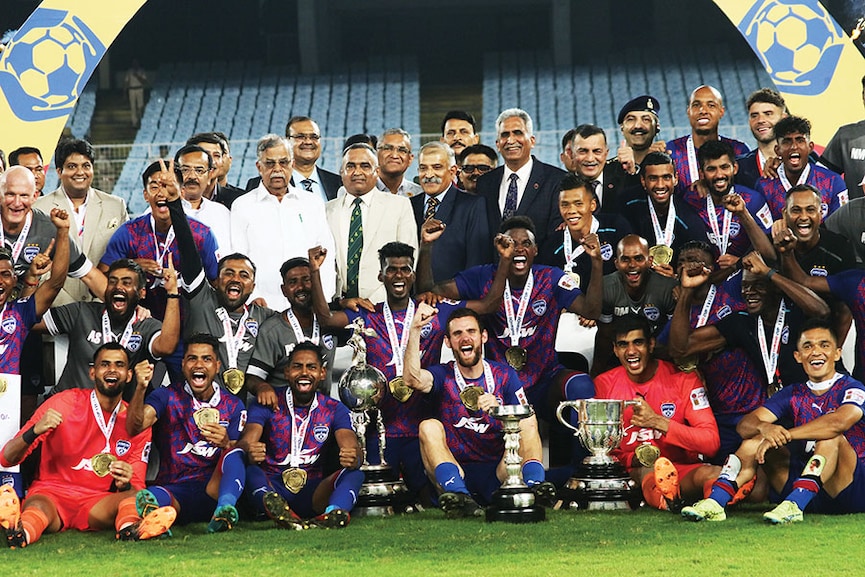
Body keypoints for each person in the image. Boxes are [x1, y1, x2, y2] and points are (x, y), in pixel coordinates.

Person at [309, 240, 508, 504]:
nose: (399, 275)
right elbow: (325, 319)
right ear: (381, 275)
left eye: (405, 269)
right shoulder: (368, 314)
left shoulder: (435, 311)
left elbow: (490, 305)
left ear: (413, 275)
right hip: (381, 431)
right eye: (392, 270)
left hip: (421, 428)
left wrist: (504, 260)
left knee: (429, 497)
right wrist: (315, 272)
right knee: (372, 494)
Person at [682, 319, 865, 523]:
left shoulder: (852, 388)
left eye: (824, 345)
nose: (815, 352)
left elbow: (838, 423)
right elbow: (744, 426)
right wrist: (764, 428)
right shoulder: (792, 393)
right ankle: (716, 502)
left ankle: (795, 504)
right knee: (754, 438)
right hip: (804, 483)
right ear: (798, 356)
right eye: (807, 346)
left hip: (849, 488)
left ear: (837, 353)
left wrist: (784, 435)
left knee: (831, 438)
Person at [0, 344, 175, 547]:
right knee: (37, 507)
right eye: (105, 364)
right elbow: (7, 458)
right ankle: (20, 531)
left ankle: (131, 529)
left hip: (95, 503)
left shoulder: (136, 423)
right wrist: (34, 431)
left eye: (119, 365)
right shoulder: (62, 403)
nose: (111, 370)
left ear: (128, 376)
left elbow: (136, 485)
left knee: (135, 496)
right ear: (93, 372)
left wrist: (125, 483)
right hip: (52, 495)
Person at [402, 305, 555, 516]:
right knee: (428, 426)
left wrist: (501, 410)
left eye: (471, 332)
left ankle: (534, 487)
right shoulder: (443, 374)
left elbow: (526, 419)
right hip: (456, 469)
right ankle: (458, 497)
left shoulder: (504, 375)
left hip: (500, 472)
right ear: (448, 342)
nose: (465, 338)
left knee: (527, 420)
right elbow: (411, 380)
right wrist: (414, 330)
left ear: (483, 336)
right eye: (457, 334)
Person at [164, 165, 277, 394]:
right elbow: (189, 252)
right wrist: (176, 205)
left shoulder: (264, 316)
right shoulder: (202, 300)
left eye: (244, 275)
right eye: (228, 273)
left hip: (245, 408)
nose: (235, 279)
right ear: (217, 279)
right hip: (199, 401)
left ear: (252, 286)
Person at [594, 315, 720, 511]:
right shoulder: (604, 385)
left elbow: (711, 443)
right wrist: (632, 459)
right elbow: (602, 450)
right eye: (623, 344)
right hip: (632, 474)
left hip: (680, 469)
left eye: (638, 342)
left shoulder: (683, 380)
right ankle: (668, 501)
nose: (631, 351)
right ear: (615, 349)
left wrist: (657, 421)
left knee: (714, 474)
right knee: (648, 471)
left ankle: (715, 503)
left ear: (651, 344)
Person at [235, 341, 364, 529]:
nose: (304, 373)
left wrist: (354, 457)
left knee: (354, 474)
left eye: (311, 367)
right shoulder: (268, 403)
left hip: (313, 493)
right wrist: (249, 450)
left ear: (322, 373)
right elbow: (245, 442)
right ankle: (279, 513)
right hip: (273, 487)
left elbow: (352, 448)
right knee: (251, 471)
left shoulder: (334, 408)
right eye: (297, 367)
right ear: (287, 372)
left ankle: (332, 515)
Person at [126, 334, 247, 532]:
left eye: (206, 359)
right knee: (153, 495)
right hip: (175, 491)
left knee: (235, 453)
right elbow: (134, 427)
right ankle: (156, 515)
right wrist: (140, 387)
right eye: (192, 358)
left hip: (213, 490)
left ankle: (224, 511)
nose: (198, 365)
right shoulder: (166, 396)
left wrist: (226, 443)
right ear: (183, 364)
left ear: (217, 366)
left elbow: (239, 457)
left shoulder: (233, 405)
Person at [100, 160, 219, 323]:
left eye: (168, 186)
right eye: (155, 186)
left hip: (191, 329)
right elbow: (101, 277)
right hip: (141, 328)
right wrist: (131, 267)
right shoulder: (129, 233)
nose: (162, 193)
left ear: (181, 192)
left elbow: (217, 284)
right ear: (145, 195)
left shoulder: (201, 234)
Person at [40, 257, 180, 394]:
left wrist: (172, 293)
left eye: (126, 283)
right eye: (112, 282)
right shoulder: (81, 312)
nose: (118, 287)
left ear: (141, 293)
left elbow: (166, 347)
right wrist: (31, 281)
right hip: (68, 409)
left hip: (115, 412)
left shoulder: (146, 326)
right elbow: (29, 321)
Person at [231, 134, 336, 309]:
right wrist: (252, 298)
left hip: (308, 304)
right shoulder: (242, 206)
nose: (277, 169)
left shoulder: (312, 203)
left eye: (284, 162)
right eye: (270, 163)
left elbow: (326, 254)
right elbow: (238, 256)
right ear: (259, 167)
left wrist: (322, 297)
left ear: (292, 165)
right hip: (260, 306)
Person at [34, 138, 129, 305]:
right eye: (72, 166)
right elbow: (37, 264)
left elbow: (124, 257)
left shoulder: (116, 205)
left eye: (86, 166)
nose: (80, 172)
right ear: (58, 171)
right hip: (55, 307)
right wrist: (69, 308)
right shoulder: (39, 208)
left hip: (104, 305)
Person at [326, 143, 417, 302]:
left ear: (377, 171)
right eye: (350, 166)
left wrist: (373, 301)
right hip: (338, 306)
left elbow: (409, 261)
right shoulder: (327, 210)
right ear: (341, 173)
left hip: (383, 305)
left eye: (365, 166)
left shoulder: (399, 206)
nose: (357, 172)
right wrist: (338, 301)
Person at [246, 257, 342, 400]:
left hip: (321, 413)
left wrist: (345, 302)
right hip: (283, 414)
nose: (301, 287)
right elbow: (253, 377)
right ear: (284, 290)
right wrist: (262, 387)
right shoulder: (272, 330)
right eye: (293, 282)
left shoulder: (330, 323)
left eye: (306, 280)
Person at [476, 108, 567, 251]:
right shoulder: (485, 183)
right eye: (505, 135)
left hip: (539, 269)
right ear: (498, 144)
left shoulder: (557, 180)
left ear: (532, 141)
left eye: (517, 133)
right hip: (493, 270)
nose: (511, 140)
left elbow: (556, 236)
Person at [592, 234, 678, 375]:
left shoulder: (668, 288)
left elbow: (674, 338)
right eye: (625, 259)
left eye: (638, 258)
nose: (632, 265)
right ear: (616, 263)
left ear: (650, 261)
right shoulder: (606, 287)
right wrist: (596, 372)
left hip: (659, 352)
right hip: (622, 355)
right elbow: (604, 337)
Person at [682, 140, 774, 269]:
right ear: (701, 173)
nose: (719, 175)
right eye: (711, 169)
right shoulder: (690, 199)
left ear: (735, 168)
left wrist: (743, 214)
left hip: (743, 279)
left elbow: (770, 256)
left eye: (724, 167)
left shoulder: (753, 200)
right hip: (703, 280)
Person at [410, 142, 491, 284]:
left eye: (437, 167)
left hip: (453, 300)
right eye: (423, 168)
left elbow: (476, 263)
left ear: (453, 171)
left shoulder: (473, 205)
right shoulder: (409, 205)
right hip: (411, 300)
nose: (429, 175)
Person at [538, 173, 630, 287]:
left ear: (593, 205)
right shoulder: (551, 247)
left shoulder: (616, 228)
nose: (571, 211)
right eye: (565, 205)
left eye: (578, 204)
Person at [621, 152, 709, 265]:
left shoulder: (689, 219)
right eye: (653, 178)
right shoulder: (628, 207)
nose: (660, 185)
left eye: (666, 177)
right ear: (643, 181)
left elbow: (702, 262)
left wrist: (676, 275)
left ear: (676, 179)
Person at [755, 116, 847, 220]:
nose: (794, 146)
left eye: (800, 140)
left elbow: (840, 226)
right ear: (777, 150)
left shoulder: (832, 182)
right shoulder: (764, 185)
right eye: (787, 141)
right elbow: (763, 231)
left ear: (810, 147)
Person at [667, 85, 750, 192]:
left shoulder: (739, 150)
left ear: (721, 111)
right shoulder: (671, 151)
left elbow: (748, 191)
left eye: (711, 105)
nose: (703, 110)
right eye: (696, 105)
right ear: (688, 111)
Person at [172, 144, 232, 256]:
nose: (192, 176)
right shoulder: (159, 212)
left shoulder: (222, 213)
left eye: (199, 170)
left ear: (209, 176)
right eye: (185, 170)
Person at [568, 124, 632, 213]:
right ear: (571, 154)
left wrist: (633, 170)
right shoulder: (558, 188)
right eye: (583, 151)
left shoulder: (623, 180)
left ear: (606, 154)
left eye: (597, 151)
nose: (590, 158)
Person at [820, 74, 865, 199]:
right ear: (863, 97)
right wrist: (782, 166)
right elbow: (819, 177)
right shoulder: (846, 136)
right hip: (855, 216)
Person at [736, 88, 788, 189]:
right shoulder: (739, 167)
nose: (760, 120)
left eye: (768, 114)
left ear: (783, 118)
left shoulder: (804, 161)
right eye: (754, 116)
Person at [614, 95, 667, 183]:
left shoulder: (671, 166)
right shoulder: (607, 169)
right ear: (622, 128)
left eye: (646, 119)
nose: (638, 125)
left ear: (657, 128)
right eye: (631, 119)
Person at [376, 128, 422, 198]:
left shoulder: (420, 194)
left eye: (402, 150)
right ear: (376, 155)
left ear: (410, 159)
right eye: (387, 148)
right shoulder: (363, 192)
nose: (394, 156)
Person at [124, 60, 147, 127]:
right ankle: (134, 122)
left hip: (139, 89)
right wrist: (124, 92)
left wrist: (137, 76)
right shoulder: (129, 71)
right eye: (134, 63)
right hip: (132, 90)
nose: (135, 64)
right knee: (133, 106)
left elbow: (144, 81)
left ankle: (140, 120)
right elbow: (126, 82)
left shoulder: (141, 71)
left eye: (136, 63)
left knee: (140, 106)